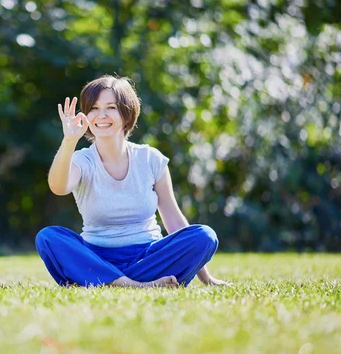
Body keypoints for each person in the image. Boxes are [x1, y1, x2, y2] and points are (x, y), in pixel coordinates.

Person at [35, 75, 230, 288]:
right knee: (48, 237)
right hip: (96, 257)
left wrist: (206, 278)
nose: (101, 115)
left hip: (147, 256)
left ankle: (107, 280)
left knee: (204, 236)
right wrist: (69, 141)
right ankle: (133, 283)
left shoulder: (150, 159)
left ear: (127, 114)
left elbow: (174, 220)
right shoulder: (82, 160)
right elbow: (58, 187)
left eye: (110, 107)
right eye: (94, 108)